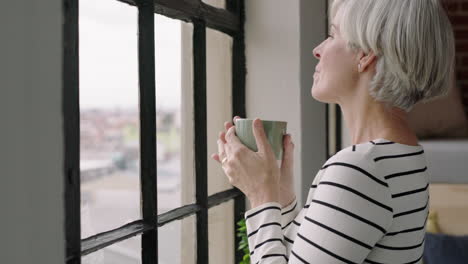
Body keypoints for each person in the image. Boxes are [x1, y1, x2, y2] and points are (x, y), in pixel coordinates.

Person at [210, 0, 455, 263]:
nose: (317, 50)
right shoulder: (402, 154)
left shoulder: (361, 169)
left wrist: (260, 194)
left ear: (365, 55)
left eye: (332, 34)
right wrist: (280, 194)